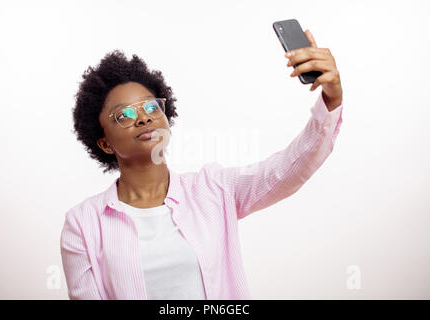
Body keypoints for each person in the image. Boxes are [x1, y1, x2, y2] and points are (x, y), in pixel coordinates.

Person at [60, 30, 344, 300]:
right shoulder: (82, 224)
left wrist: (331, 99)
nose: (144, 118)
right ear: (105, 143)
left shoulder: (213, 189)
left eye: (150, 107)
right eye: (124, 115)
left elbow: (287, 169)